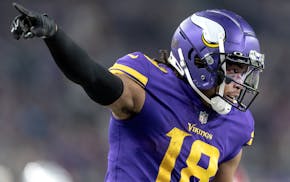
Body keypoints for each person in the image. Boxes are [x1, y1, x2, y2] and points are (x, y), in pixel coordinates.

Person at [10, 2, 265, 182]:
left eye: (244, 72)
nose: (239, 82)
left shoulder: (238, 124)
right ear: (199, 60)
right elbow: (95, 80)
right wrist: (55, 36)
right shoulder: (149, 80)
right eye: (232, 69)